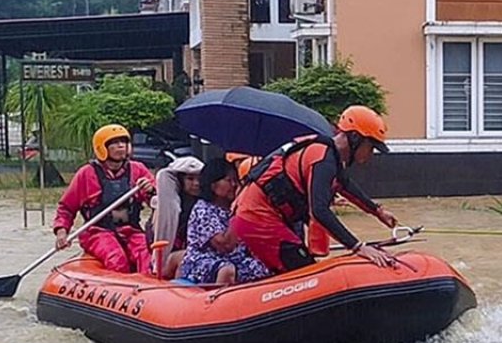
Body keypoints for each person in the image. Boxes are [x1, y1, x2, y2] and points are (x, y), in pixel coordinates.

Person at [231, 105, 399, 274]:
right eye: (370, 147)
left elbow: (346, 185)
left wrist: (378, 211)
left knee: (301, 266)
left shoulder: (329, 156)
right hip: (257, 218)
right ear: (355, 137)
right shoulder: (323, 159)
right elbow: (319, 210)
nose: (370, 154)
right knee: (303, 272)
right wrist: (358, 247)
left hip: (262, 216)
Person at [53, 125, 155, 273]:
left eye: (124, 142)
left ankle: (147, 289)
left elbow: (157, 201)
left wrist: (151, 190)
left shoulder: (138, 170)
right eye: (114, 143)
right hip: (97, 232)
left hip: (131, 230)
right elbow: (66, 208)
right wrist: (62, 231)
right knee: (117, 260)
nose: (121, 146)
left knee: (148, 256)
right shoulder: (86, 174)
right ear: (102, 147)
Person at [178, 157, 271, 285]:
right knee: (226, 270)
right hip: (205, 262)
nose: (234, 185)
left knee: (264, 268)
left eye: (235, 181)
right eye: (229, 180)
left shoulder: (230, 207)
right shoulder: (203, 209)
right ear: (213, 185)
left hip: (236, 259)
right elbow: (225, 245)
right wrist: (239, 210)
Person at [148, 156, 204, 279]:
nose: (196, 183)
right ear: (179, 180)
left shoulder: (206, 205)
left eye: (199, 179)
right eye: (190, 179)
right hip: (169, 257)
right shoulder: (163, 206)